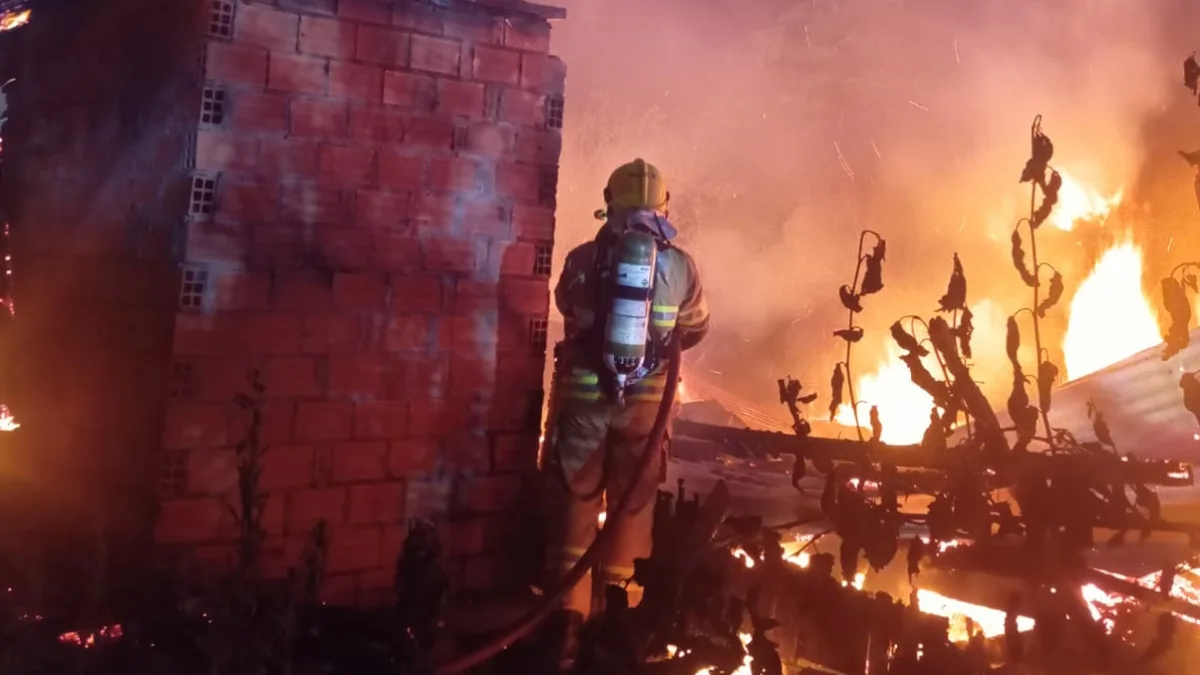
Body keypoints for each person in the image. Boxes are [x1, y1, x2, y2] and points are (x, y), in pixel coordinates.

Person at [539, 158, 710, 665]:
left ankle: (564, 633)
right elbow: (696, 327)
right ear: (663, 205)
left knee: (576, 503)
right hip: (646, 405)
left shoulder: (582, 258)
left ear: (609, 202)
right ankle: (619, 629)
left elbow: (567, 306)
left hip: (585, 400)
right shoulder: (680, 266)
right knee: (633, 507)